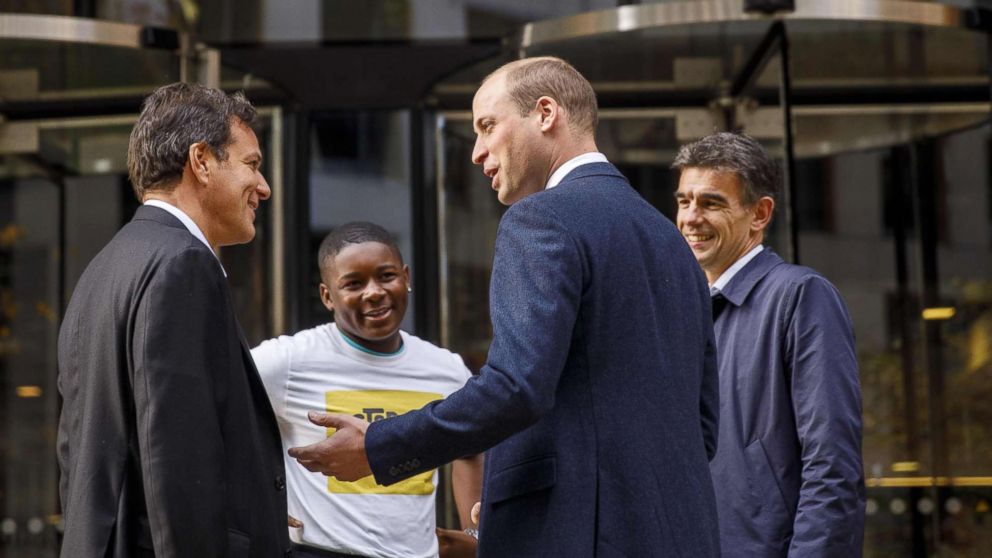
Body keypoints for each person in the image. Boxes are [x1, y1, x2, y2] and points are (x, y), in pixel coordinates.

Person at [287, 56, 721, 556]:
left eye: (487, 127)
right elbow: (702, 426)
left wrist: (378, 446)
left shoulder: (538, 219)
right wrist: (518, 491)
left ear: (545, 113)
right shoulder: (673, 242)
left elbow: (517, 388)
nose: (476, 153)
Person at [56, 83, 290, 557]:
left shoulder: (101, 270)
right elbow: (176, 461)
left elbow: (77, 458)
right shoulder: (183, 263)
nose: (263, 187)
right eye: (252, 165)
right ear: (201, 161)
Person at [672, 132, 866, 557]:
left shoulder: (801, 296)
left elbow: (832, 467)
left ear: (759, 214)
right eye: (684, 202)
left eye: (711, 203)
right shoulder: (682, 312)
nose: (690, 218)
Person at [251, 221, 483, 558]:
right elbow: (213, 410)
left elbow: (470, 447)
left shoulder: (445, 370)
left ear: (406, 278)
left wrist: (474, 533)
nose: (373, 291)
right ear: (327, 296)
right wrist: (256, 505)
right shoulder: (287, 361)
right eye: (354, 284)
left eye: (386, 276)